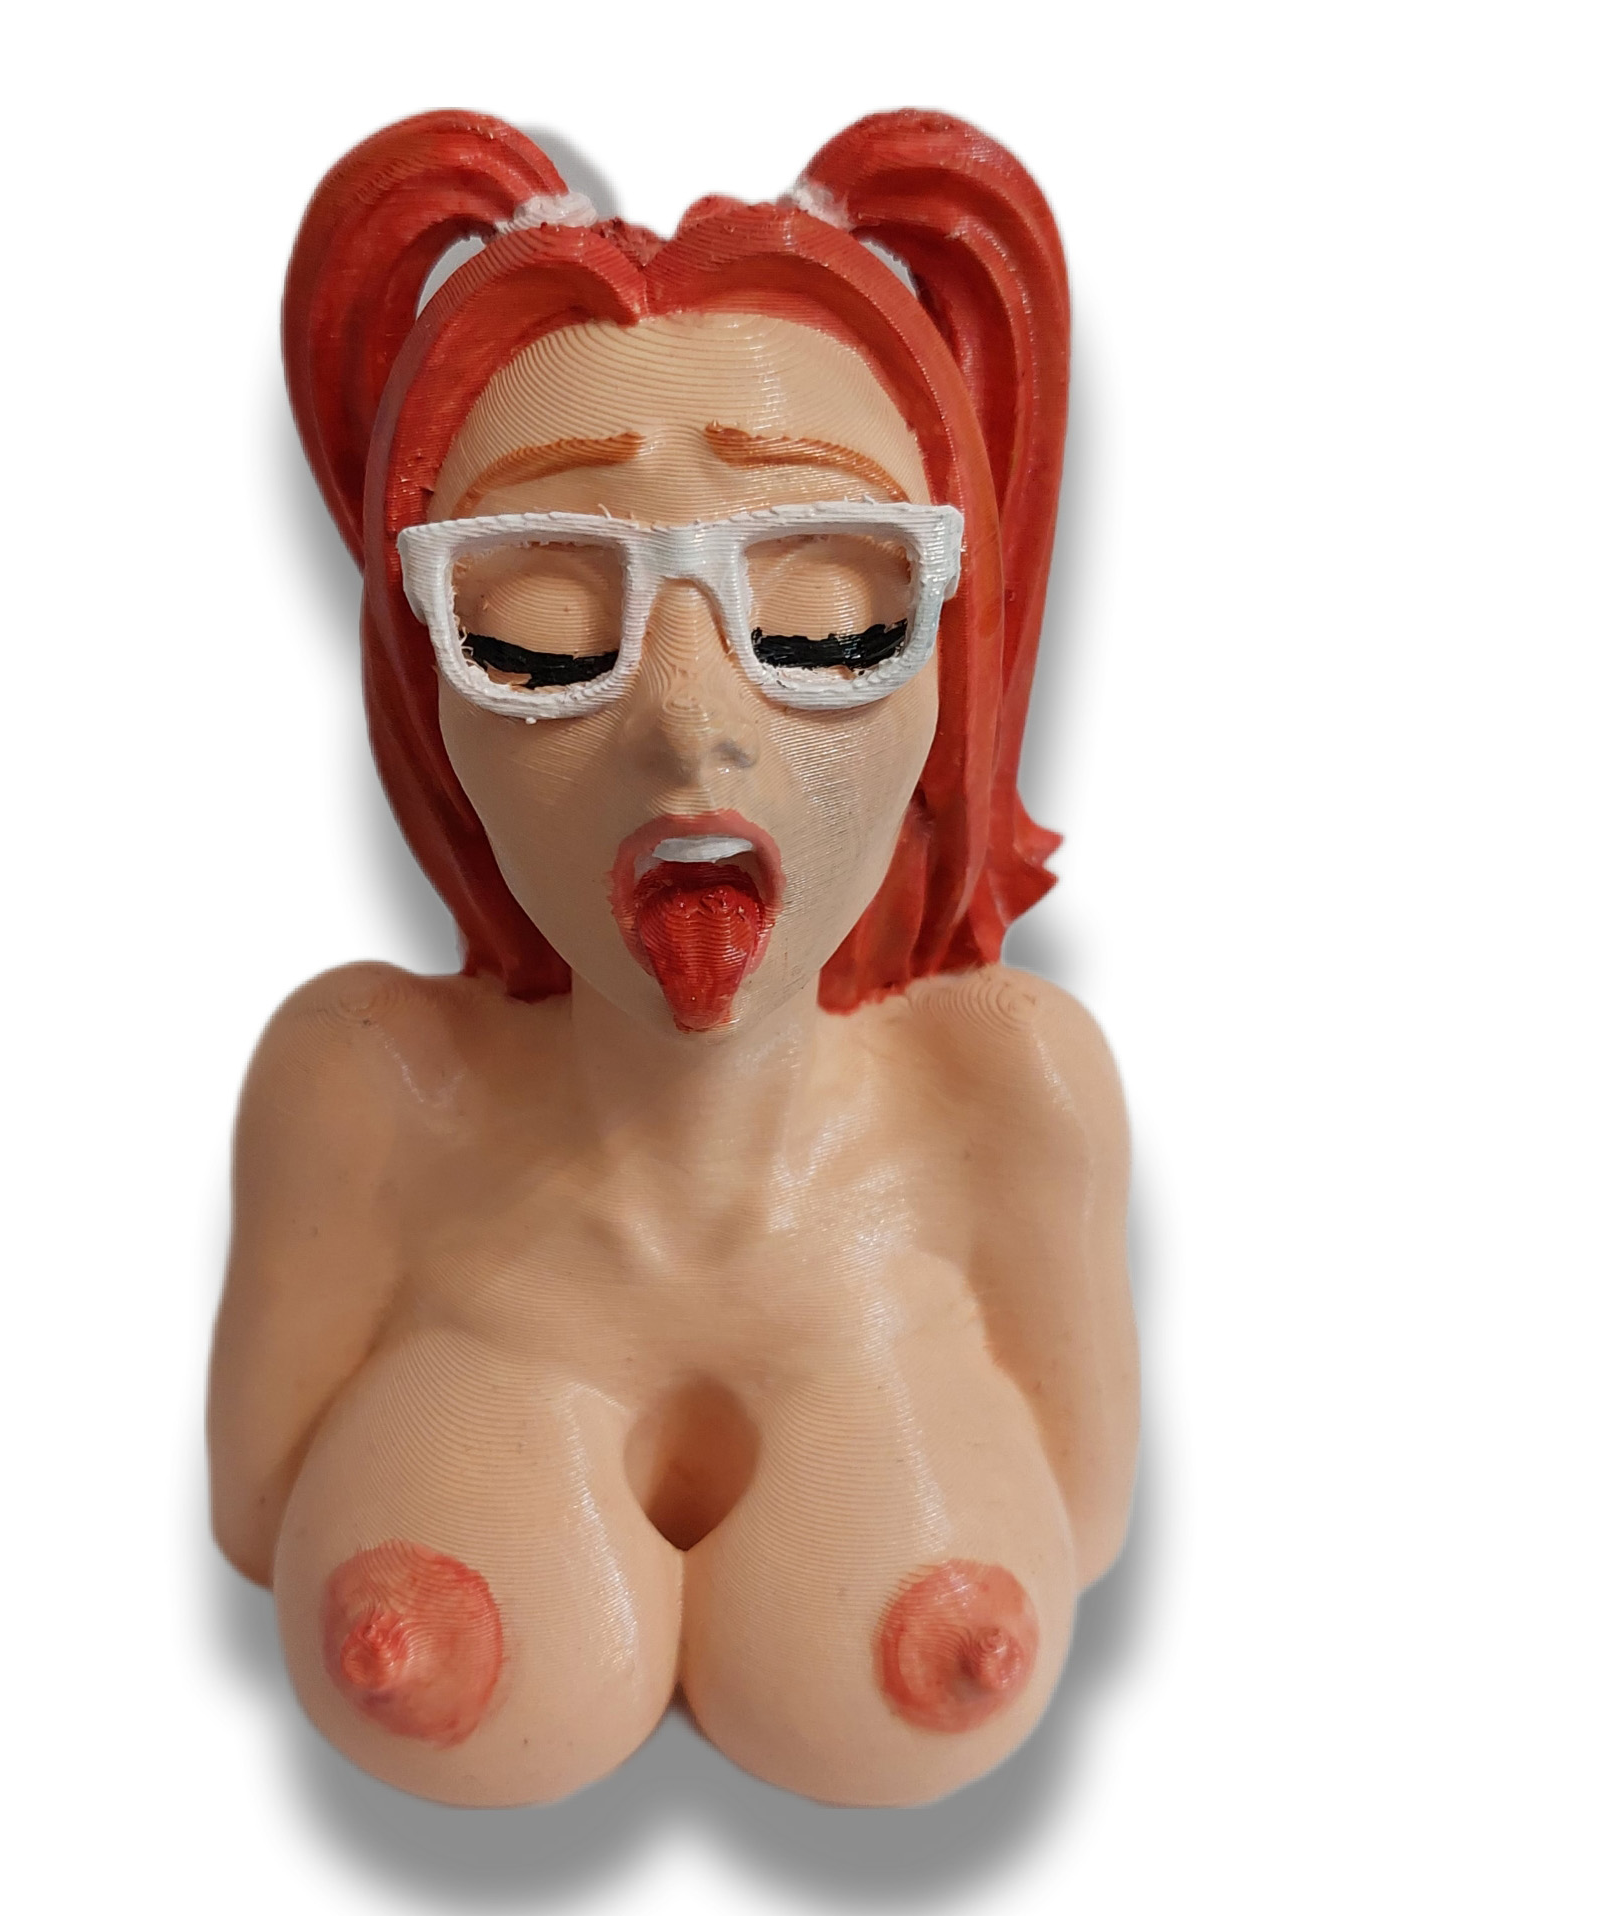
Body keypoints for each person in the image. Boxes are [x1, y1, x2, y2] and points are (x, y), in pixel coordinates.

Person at [207, 108, 1137, 1808]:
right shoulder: (361, 1095)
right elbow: (253, 1512)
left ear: (957, 652)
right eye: (540, 623)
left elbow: (1093, 1509)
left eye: (828, 614)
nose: (689, 724)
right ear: (422, 688)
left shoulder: (1014, 1095)